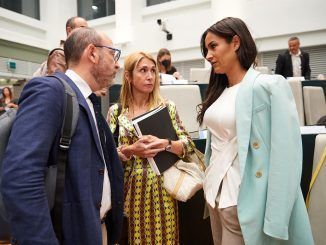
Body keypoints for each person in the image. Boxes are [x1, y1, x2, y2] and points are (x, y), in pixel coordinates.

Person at [1, 28, 124, 244]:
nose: (117, 64)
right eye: (113, 54)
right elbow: (21, 177)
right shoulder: (50, 91)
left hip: (93, 229)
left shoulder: (86, 99)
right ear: (93, 53)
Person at [198, 17, 314, 245]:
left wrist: (276, 219)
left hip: (247, 202)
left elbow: (286, 157)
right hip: (216, 197)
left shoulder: (269, 86)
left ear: (236, 42)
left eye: (213, 46)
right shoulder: (219, 91)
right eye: (206, 49)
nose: (208, 55)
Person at [107, 51, 195, 244]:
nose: (150, 76)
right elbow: (107, 156)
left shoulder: (166, 107)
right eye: (143, 70)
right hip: (129, 193)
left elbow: (188, 146)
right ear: (128, 76)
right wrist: (130, 150)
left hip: (163, 189)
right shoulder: (117, 112)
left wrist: (167, 144)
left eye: (153, 71)